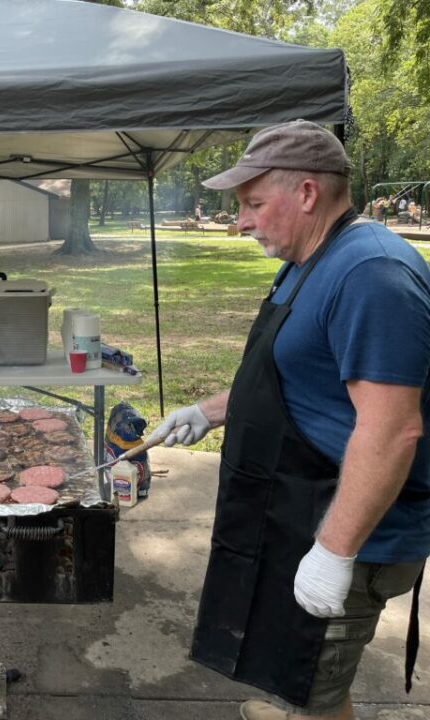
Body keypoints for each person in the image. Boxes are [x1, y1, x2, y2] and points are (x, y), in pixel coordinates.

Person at [149, 121, 430, 720]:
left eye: (253, 204)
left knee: (319, 680)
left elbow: (394, 428)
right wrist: (209, 411)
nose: (242, 222)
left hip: (350, 528)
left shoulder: (371, 274)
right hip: (295, 506)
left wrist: (334, 550)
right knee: (295, 665)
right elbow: (302, 375)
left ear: (307, 193)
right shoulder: (311, 258)